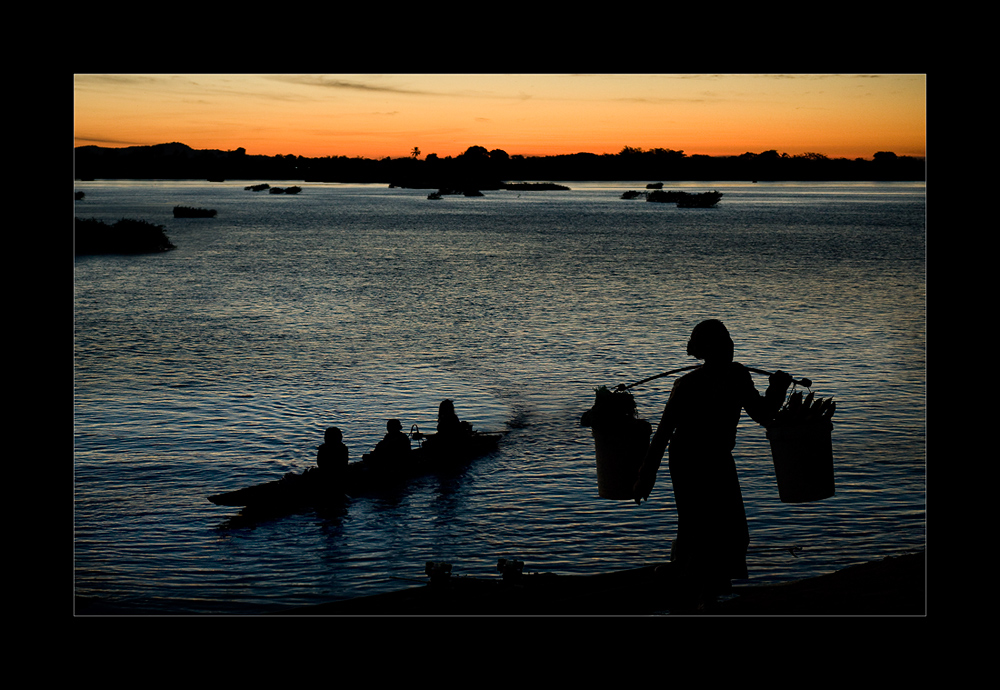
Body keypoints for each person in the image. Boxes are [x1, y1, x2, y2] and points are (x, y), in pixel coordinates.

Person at [633, 319, 792, 608]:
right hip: (688, 460)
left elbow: (763, 414)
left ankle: (701, 587)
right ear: (708, 350)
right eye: (722, 342)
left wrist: (777, 389)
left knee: (729, 529)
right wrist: (646, 477)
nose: (730, 347)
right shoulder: (687, 385)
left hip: (718, 457)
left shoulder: (738, 376)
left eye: (730, 341)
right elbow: (664, 432)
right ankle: (693, 586)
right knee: (698, 525)